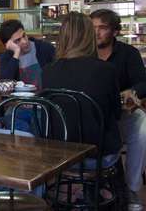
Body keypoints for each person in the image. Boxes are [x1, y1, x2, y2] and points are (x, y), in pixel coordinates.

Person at [90, 9, 146, 210]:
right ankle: (93, 184)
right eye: (93, 28)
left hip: (125, 114)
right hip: (95, 117)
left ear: (115, 31)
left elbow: (144, 85)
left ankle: (131, 188)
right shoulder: (85, 53)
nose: (97, 33)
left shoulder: (129, 53)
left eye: (102, 28)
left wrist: (132, 92)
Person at [42, 12, 122, 169]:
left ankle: (92, 191)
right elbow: (116, 113)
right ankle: (119, 191)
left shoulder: (47, 71)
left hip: (58, 154)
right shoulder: (106, 70)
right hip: (97, 154)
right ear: (89, 37)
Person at [0, 19, 55, 88]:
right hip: (19, 98)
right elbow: (4, 86)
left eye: (24, 35)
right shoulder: (7, 57)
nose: (24, 41)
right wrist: (16, 53)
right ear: (8, 45)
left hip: (44, 98)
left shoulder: (45, 48)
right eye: (17, 40)